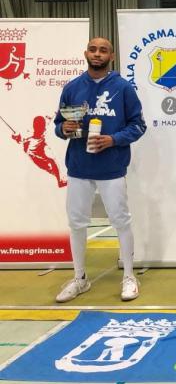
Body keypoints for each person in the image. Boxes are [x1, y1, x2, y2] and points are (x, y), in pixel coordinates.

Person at [53, 37, 146, 303]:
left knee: (120, 220)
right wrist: (64, 129)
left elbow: (138, 125)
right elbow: (59, 123)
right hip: (79, 166)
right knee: (76, 223)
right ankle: (80, 278)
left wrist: (113, 139)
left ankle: (129, 275)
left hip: (112, 167)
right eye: (93, 49)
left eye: (102, 50)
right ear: (86, 53)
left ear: (111, 56)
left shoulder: (123, 88)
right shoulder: (72, 87)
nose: (97, 54)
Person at [12, 115, 66, 188]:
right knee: (49, 167)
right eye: (39, 128)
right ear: (34, 127)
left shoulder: (45, 124)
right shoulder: (28, 133)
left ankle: (60, 180)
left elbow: (50, 118)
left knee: (52, 160)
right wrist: (16, 137)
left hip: (41, 146)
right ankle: (59, 178)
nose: (42, 130)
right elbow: (18, 137)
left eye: (43, 128)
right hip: (33, 153)